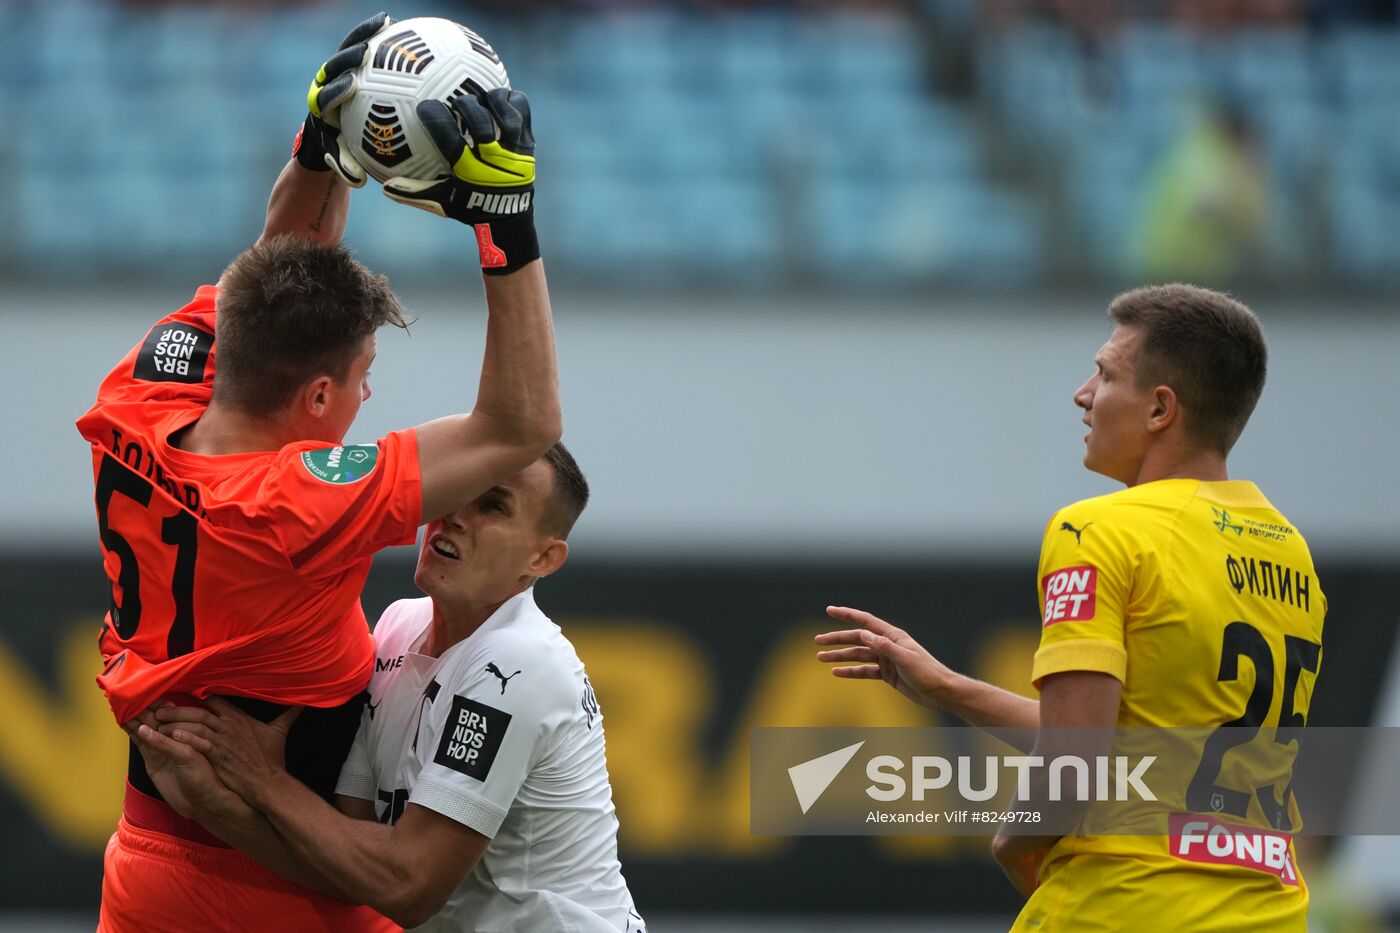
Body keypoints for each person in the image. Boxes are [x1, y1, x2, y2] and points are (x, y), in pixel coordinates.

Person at [76, 14, 560, 931]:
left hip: (145, 854)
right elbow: (522, 423)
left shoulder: (143, 388)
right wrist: (507, 219)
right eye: (364, 382)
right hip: (275, 878)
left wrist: (321, 144)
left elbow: (276, 270)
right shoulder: (299, 501)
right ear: (317, 397)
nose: (367, 401)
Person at [815, 284, 1325, 932]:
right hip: (1270, 912)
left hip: (1124, 905)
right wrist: (948, 687)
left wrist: (1013, 841)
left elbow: (1072, 764)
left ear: (1160, 408)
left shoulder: (1098, 530)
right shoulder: (1289, 549)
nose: (1083, 393)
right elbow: (1129, 745)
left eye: (1106, 374)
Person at [131, 444, 647, 932]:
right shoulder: (399, 625)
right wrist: (209, 804)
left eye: (493, 505)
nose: (456, 515)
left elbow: (409, 886)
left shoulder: (517, 660)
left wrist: (264, 779)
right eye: (459, 490)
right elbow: (351, 862)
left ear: (542, 560)